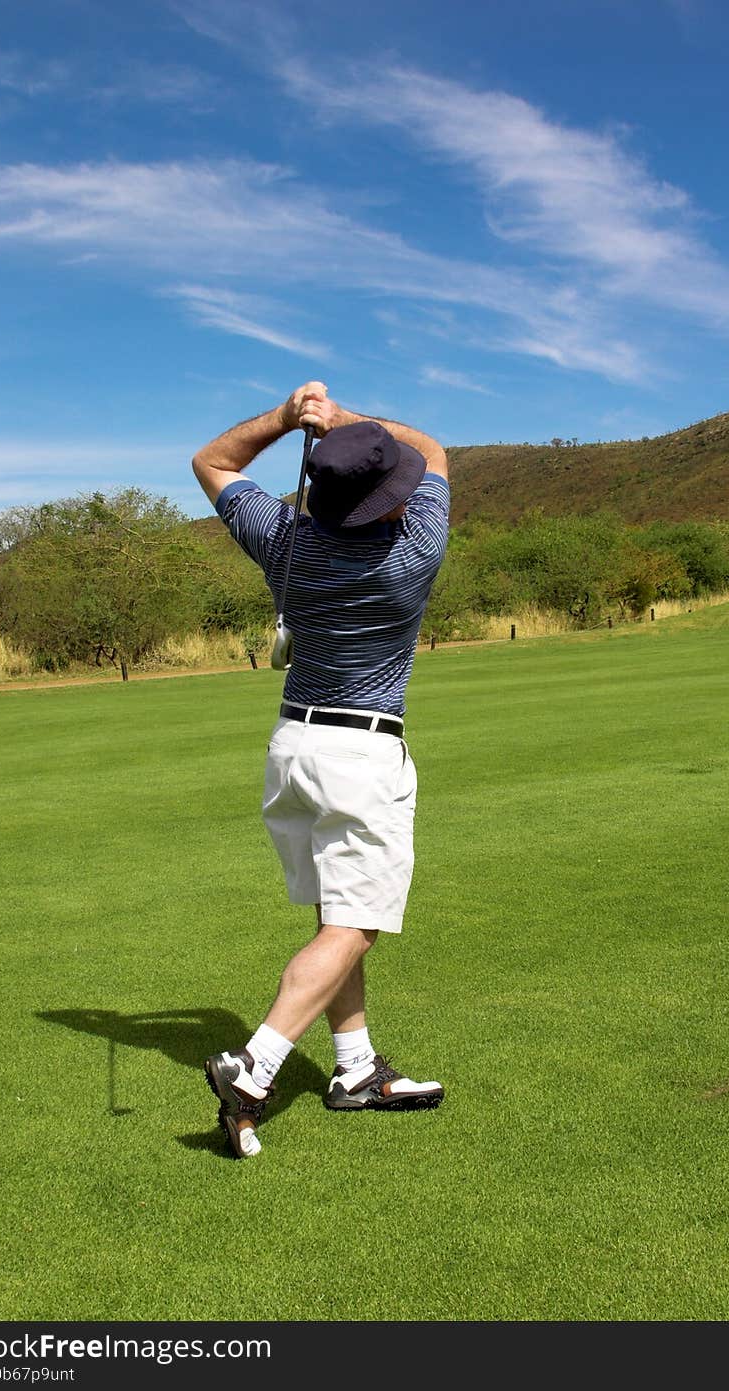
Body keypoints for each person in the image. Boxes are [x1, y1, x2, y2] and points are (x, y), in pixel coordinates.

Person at [191, 381, 450, 1157]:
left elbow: (211, 461)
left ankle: (356, 1068)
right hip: (362, 754)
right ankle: (255, 1066)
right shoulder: (414, 549)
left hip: (293, 748)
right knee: (356, 924)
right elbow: (435, 450)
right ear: (389, 494)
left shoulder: (286, 539)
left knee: (335, 913)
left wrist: (286, 418)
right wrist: (345, 420)